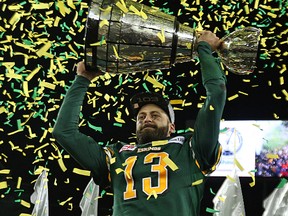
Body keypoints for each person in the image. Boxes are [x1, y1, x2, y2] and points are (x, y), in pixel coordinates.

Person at [52, 30, 227, 215]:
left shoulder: (191, 148)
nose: (147, 119)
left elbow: (216, 93)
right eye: (141, 117)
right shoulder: (116, 155)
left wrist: (204, 49)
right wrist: (82, 80)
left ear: (172, 127)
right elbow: (64, 132)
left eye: (156, 115)